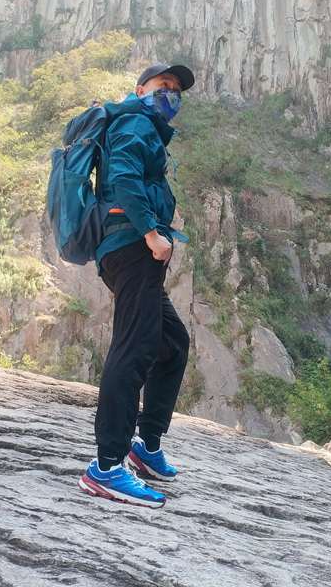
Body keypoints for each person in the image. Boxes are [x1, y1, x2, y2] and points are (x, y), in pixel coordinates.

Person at [77, 61, 194, 509]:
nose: (171, 94)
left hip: (132, 250)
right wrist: (150, 231)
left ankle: (144, 446)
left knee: (172, 343)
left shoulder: (146, 126)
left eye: (176, 90)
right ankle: (106, 467)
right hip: (132, 246)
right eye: (163, 85)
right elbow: (124, 175)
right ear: (140, 88)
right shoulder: (134, 122)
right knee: (135, 348)